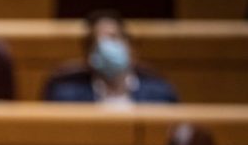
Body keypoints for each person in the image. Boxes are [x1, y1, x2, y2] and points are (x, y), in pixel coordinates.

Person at [43, 10, 179, 104]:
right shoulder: (66, 99)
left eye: (113, 38)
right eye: (99, 42)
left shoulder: (161, 96)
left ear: (131, 47)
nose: (106, 47)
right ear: (89, 55)